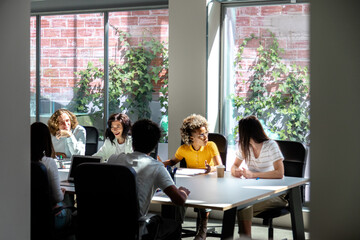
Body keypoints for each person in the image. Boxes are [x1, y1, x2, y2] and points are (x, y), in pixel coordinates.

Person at [108, 119, 190, 240]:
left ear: (132, 142)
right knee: (174, 225)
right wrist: (183, 192)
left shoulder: (113, 159)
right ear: (154, 145)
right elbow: (178, 200)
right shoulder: (156, 167)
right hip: (133, 226)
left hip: (106, 221)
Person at [162, 114, 223, 240]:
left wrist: (210, 169)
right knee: (178, 197)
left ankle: (203, 228)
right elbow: (173, 161)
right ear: (191, 137)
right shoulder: (183, 149)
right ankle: (176, 227)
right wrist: (160, 163)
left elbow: (220, 166)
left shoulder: (211, 146)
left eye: (206, 132)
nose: (205, 136)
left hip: (208, 182)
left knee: (204, 195)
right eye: (201, 135)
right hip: (190, 181)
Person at [231, 115, 288, 238]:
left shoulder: (270, 145)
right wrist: (235, 171)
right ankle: (245, 237)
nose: (239, 135)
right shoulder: (243, 146)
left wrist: (253, 175)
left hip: (276, 194)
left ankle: (244, 237)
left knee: (242, 207)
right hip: (254, 193)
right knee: (241, 205)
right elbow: (234, 165)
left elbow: (279, 173)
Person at [31, 122, 73, 230]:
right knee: (67, 199)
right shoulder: (49, 163)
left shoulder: (19, 162)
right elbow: (57, 197)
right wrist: (62, 192)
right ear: (46, 141)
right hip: (49, 219)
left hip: (28, 218)